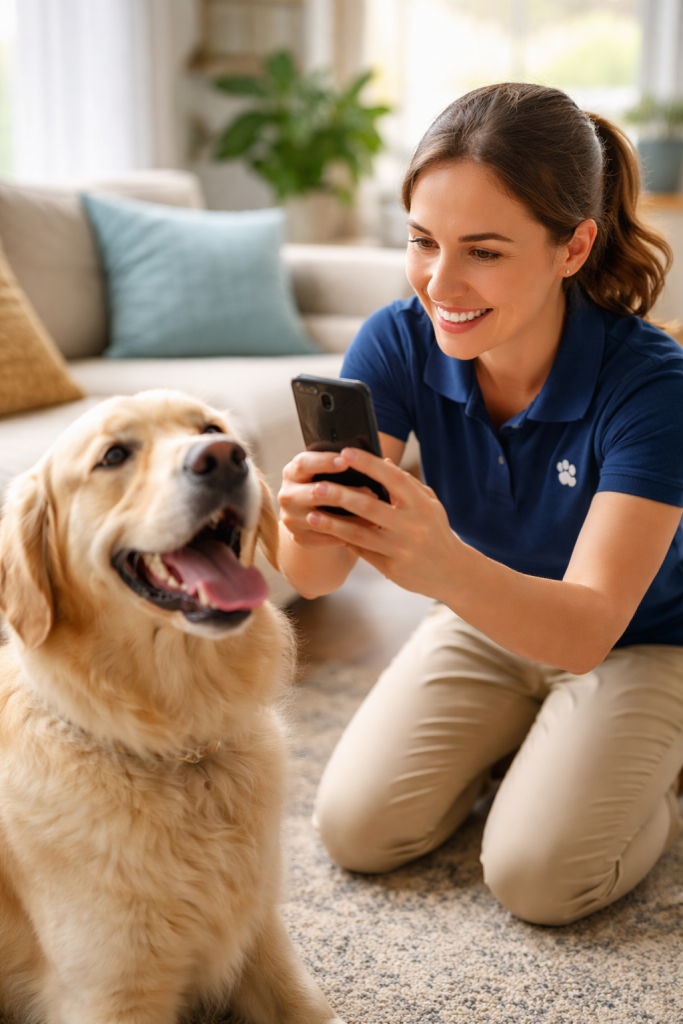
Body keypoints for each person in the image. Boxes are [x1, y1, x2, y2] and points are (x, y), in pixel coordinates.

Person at [277, 83, 683, 926]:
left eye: (484, 252)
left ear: (573, 247)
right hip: (483, 619)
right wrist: (304, 519)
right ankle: (543, 748)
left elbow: (584, 631)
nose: (440, 282)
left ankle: (652, 780)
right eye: (422, 241)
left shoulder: (651, 386)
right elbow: (313, 581)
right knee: (357, 829)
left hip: (634, 641)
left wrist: (439, 562)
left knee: (539, 880)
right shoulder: (395, 338)